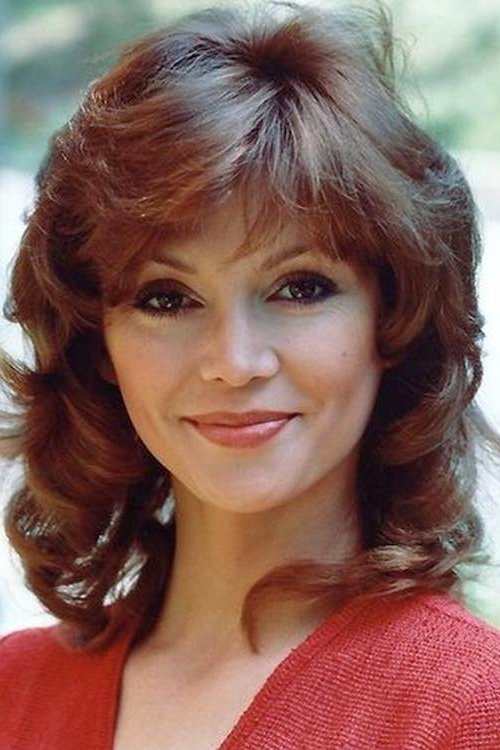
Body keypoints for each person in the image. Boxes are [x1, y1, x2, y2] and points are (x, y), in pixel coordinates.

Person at [1, 1, 499, 747]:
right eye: (166, 298)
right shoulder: (13, 692)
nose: (234, 363)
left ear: (392, 319)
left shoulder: (468, 707)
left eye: (300, 287)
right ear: (99, 344)